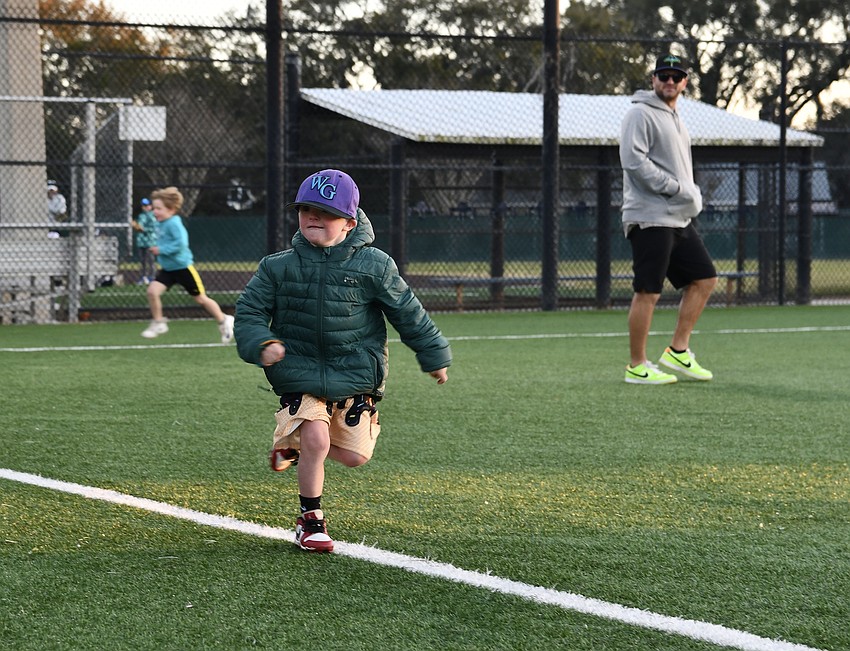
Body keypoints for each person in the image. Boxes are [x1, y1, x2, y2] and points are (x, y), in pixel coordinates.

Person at [234, 169, 452, 553]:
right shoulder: (277, 266)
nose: (313, 217)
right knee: (317, 438)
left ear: (350, 223)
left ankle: (293, 445)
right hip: (297, 370)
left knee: (354, 456)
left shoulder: (375, 265)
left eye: (326, 212)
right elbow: (250, 312)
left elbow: (408, 313)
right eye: (305, 209)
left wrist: (433, 355)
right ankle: (310, 521)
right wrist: (261, 342)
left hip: (353, 373)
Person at [619, 53, 718, 385]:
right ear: (653, 80)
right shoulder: (639, 113)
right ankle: (637, 366)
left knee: (704, 278)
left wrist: (687, 194)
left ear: (685, 82)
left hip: (677, 218)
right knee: (648, 290)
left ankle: (678, 350)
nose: (670, 82)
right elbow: (633, 162)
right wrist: (677, 188)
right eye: (664, 76)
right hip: (650, 217)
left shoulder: (677, 118)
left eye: (676, 77)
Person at [141, 186, 234, 343]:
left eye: (159, 208)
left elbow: (181, 244)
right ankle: (158, 323)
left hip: (183, 268)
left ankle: (224, 319)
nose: (155, 211)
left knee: (200, 299)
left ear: (171, 210)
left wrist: (161, 249)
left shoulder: (174, 223)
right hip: (168, 270)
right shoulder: (159, 223)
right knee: (152, 291)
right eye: (154, 208)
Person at [131, 197, 157, 284]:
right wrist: (136, 226)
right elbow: (138, 226)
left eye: (146, 205)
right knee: (142, 261)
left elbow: (153, 228)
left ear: (150, 206)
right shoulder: (141, 216)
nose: (144, 207)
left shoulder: (153, 216)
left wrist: (143, 229)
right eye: (143, 206)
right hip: (141, 241)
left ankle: (152, 277)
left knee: (151, 260)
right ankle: (144, 277)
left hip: (150, 241)